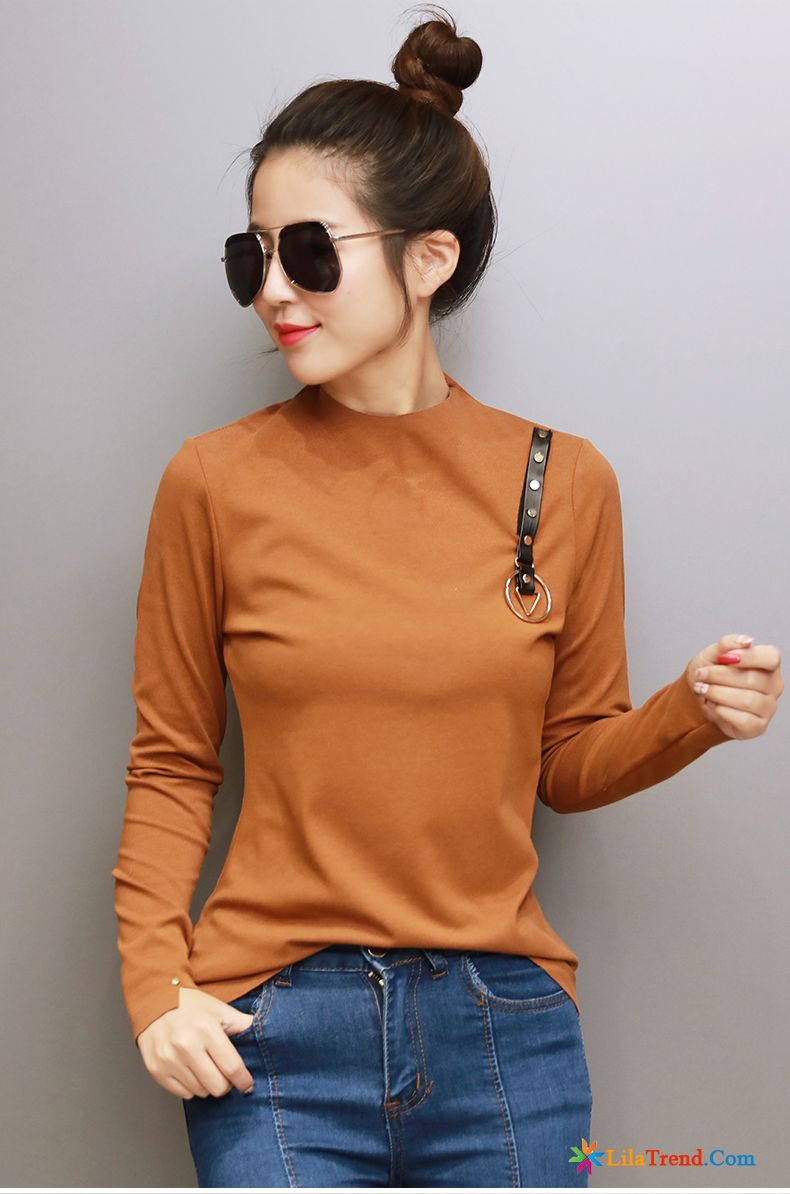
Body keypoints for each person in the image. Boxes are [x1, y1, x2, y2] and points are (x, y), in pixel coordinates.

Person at [111, 7, 783, 1188]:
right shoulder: (212, 482)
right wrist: (156, 986)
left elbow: (565, 763)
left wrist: (689, 713)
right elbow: (172, 763)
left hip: (502, 1031)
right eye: (252, 257)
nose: (274, 290)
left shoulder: (562, 482)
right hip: (272, 1033)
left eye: (309, 251)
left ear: (429, 259)